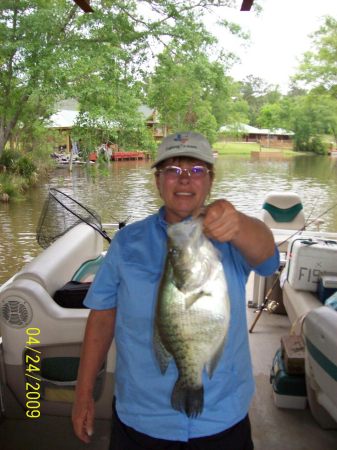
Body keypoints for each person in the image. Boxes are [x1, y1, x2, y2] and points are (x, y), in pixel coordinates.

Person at [72, 131, 280, 450]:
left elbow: (268, 259)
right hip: (141, 419)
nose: (184, 180)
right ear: (158, 181)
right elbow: (102, 318)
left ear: (210, 180)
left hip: (222, 417)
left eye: (196, 170)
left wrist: (238, 222)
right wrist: (83, 392)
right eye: (172, 170)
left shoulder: (232, 236)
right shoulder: (127, 244)